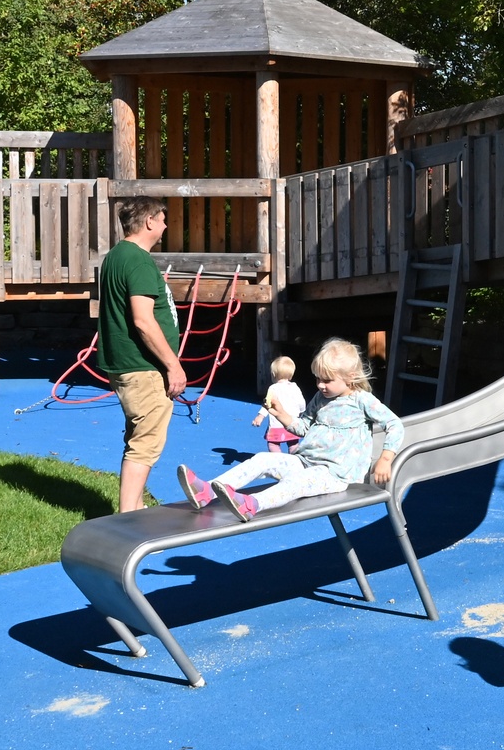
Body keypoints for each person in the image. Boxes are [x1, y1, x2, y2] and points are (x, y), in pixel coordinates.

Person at [176, 337, 402, 522]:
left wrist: (385, 458)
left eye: (327, 380)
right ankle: (206, 491)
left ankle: (253, 504)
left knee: (296, 484)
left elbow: (395, 425)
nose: (321, 385)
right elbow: (303, 427)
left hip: (335, 474)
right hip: (305, 461)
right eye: (317, 379)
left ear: (350, 377)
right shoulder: (320, 399)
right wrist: (282, 414)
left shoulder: (361, 400)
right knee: (263, 459)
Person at [97, 196, 188, 513]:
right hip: (144, 368)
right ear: (149, 221)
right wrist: (173, 365)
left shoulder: (116, 257)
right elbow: (143, 320)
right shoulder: (137, 260)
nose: (164, 227)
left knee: (139, 437)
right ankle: (128, 519)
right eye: (162, 220)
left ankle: (134, 507)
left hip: (127, 365)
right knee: (145, 443)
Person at [252, 354, 306, 453]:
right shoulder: (295, 387)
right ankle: (293, 458)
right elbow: (301, 403)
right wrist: (301, 413)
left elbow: (268, 404)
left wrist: (260, 416)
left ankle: (277, 457)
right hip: (292, 422)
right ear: (291, 374)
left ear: (273, 374)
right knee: (293, 443)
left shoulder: (273, 388)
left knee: (273, 443)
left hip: (277, 424)